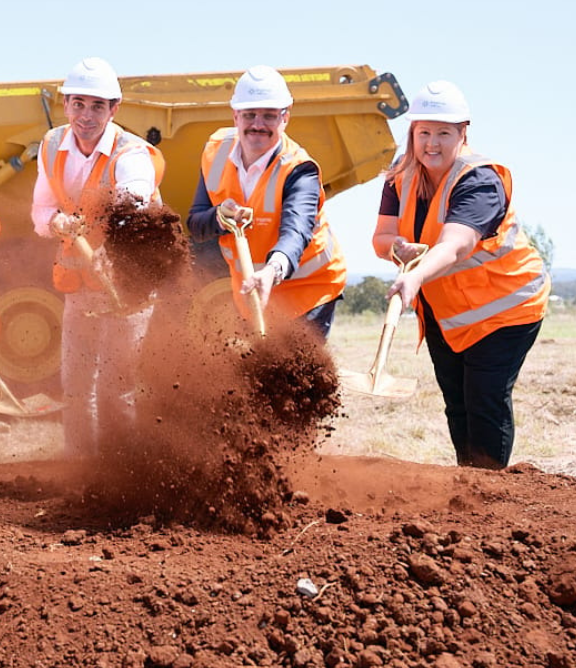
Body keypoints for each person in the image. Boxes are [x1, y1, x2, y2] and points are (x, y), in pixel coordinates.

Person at [371, 80, 550, 469]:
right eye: (424, 133)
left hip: (505, 308)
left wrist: (415, 278)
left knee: (484, 400)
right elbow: (382, 236)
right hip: (447, 310)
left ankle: (488, 491)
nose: (431, 144)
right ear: (412, 133)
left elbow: (456, 244)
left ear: (463, 132)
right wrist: (396, 249)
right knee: (458, 403)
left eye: (443, 133)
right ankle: (468, 486)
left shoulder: (480, 181)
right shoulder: (400, 177)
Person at [30, 57, 165, 458]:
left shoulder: (131, 153)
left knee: (114, 387)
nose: (86, 116)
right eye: (78, 104)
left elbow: (137, 194)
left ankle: (120, 477)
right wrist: (57, 224)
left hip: (128, 284)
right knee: (76, 386)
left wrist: (109, 226)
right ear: (66, 103)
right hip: (80, 285)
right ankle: (81, 474)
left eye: (97, 106)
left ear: (114, 110)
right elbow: (40, 210)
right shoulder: (53, 144)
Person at [187, 65, 346, 338]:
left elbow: (296, 231)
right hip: (252, 291)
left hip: (307, 291)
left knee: (294, 376)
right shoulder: (215, 151)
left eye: (269, 116)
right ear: (235, 116)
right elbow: (196, 223)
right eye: (249, 115)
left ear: (285, 118)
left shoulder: (299, 169)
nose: (258, 125)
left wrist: (272, 271)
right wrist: (219, 217)